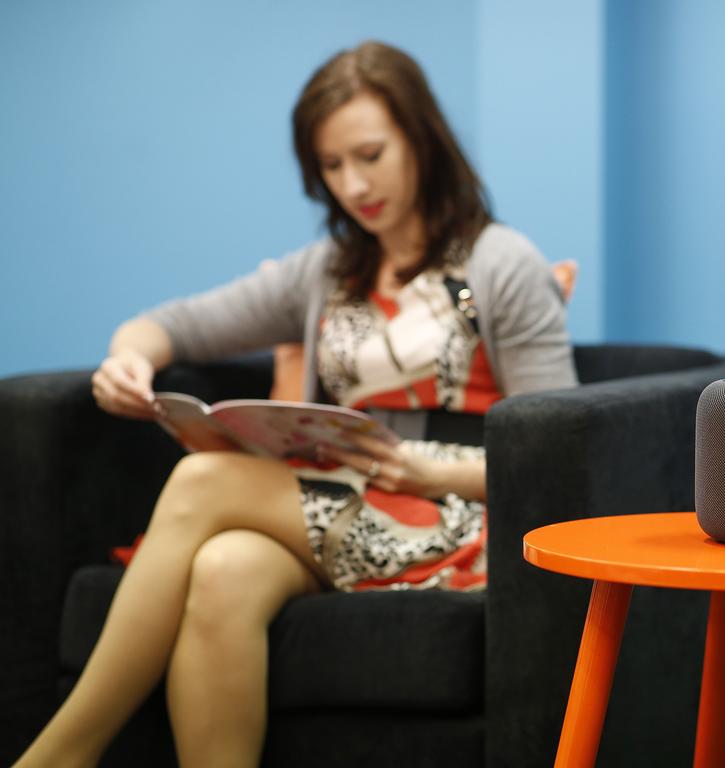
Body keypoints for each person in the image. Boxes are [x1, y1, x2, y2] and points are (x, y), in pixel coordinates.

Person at [15, 40, 576, 768]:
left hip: (464, 514)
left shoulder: (501, 263)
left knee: (200, 482)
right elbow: (174, 322)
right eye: (332, 166)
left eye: (370, 155)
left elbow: (560, 449)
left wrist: (429, 473)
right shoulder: (329, 270)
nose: (354, 185)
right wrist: (128, 358)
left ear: (421, 140)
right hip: (352, 500)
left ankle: (59, 755)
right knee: (222, 570)